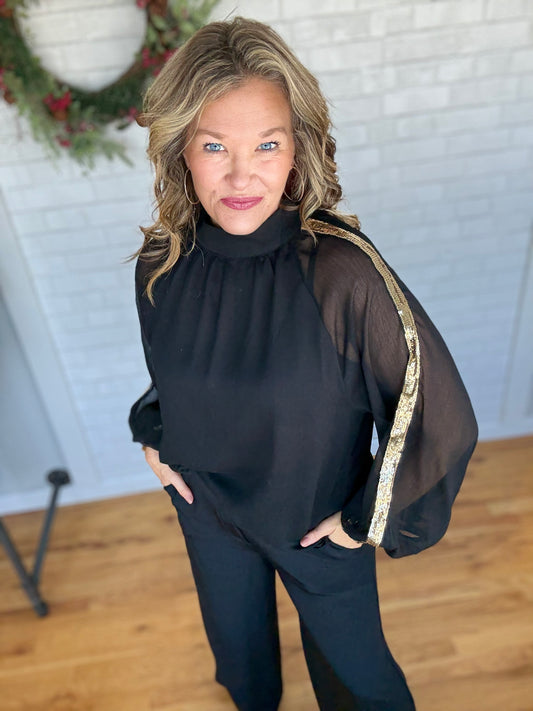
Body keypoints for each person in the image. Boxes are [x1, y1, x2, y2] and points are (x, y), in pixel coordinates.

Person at [128, 16, 478, 711]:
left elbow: (436, 415)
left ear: (297, 148)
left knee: (359, 682)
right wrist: (152, 438)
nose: (241, 174)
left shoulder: (341, 274)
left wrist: (359, 521)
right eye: (214, 145)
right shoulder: (161, 263)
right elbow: (174, 376)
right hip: (206, 510)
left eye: (267, 143)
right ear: (180, 150)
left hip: (316, 526)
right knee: (240, 655)